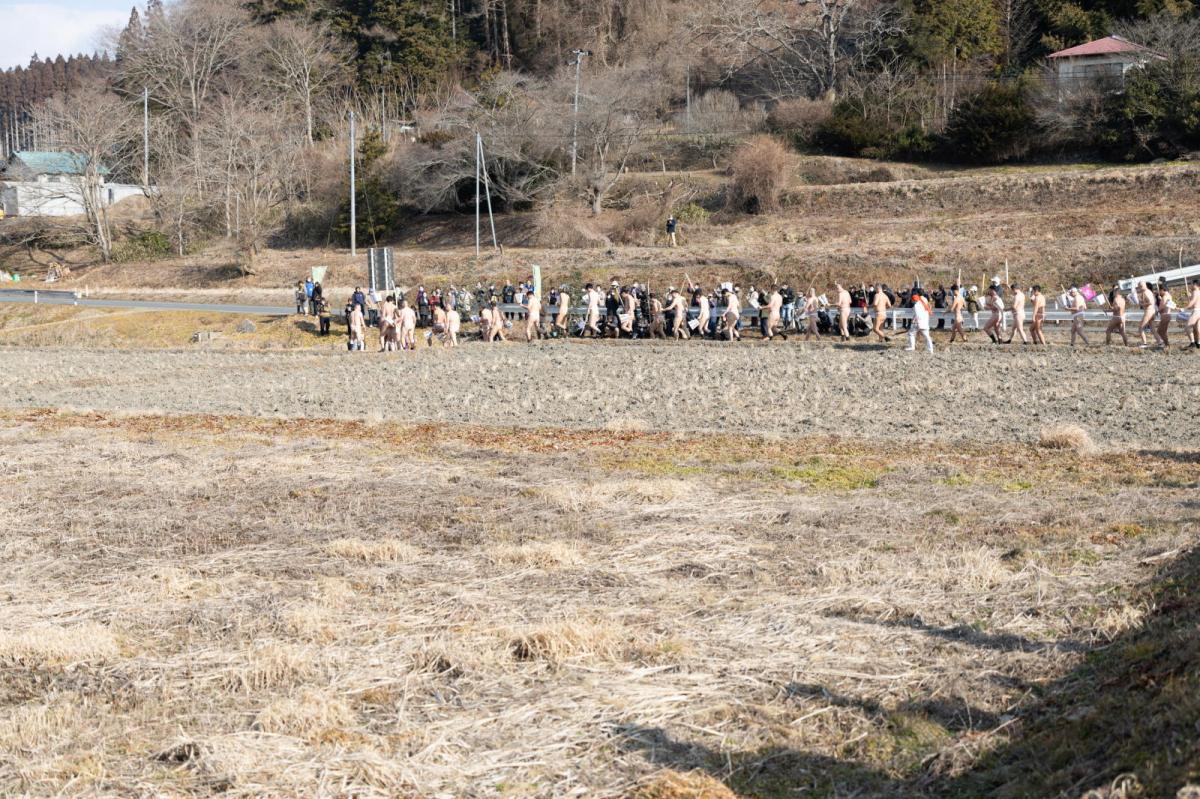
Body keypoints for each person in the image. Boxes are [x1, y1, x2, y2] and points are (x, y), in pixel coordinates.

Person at [906, 287, 934, 353]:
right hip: (925, 320)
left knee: (911, 333)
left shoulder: (917, 304)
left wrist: (914, 321)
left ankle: (912, 347)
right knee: (927, 335)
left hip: (918, 321)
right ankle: (931, 349)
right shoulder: (925, 300)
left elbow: (917, 314)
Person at [1137, 282, 1158, 347]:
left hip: (1149, 311)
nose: (1139, 288)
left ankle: (1144, 343)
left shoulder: (1146, 292)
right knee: (1153, 329)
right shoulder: (1148, 292)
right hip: (1152, 311)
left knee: (1141, 327)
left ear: (1143, 286)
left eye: (1140, 287)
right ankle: (1160, 341)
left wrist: (1142, 304)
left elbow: (1150, 302)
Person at [1182, 281, 1200, 348]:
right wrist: (1190, 296)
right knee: (1197, 329)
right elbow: (1195, 301)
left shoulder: (1195, 292)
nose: (1191, 285)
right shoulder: (1198, 292)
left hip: (1196, 311)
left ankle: (1192, 343)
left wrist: (1184, 308)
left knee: (1187, 326)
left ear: (1195, 284)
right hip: (1198, 311)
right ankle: (1198, 343)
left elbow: (1193, 302)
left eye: (1191, 284)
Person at [1156, 283, 1173, 350]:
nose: (1159, 292)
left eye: (1159, 291)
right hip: (1167, 315)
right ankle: (1167, 345)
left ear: (1162, 290)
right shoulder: (1169, 295)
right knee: (1163, 332)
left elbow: (1162, 307)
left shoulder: (1165, 297)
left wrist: (1157, 311)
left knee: (1160, 331)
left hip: (1165, 315)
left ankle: (1167, 344)